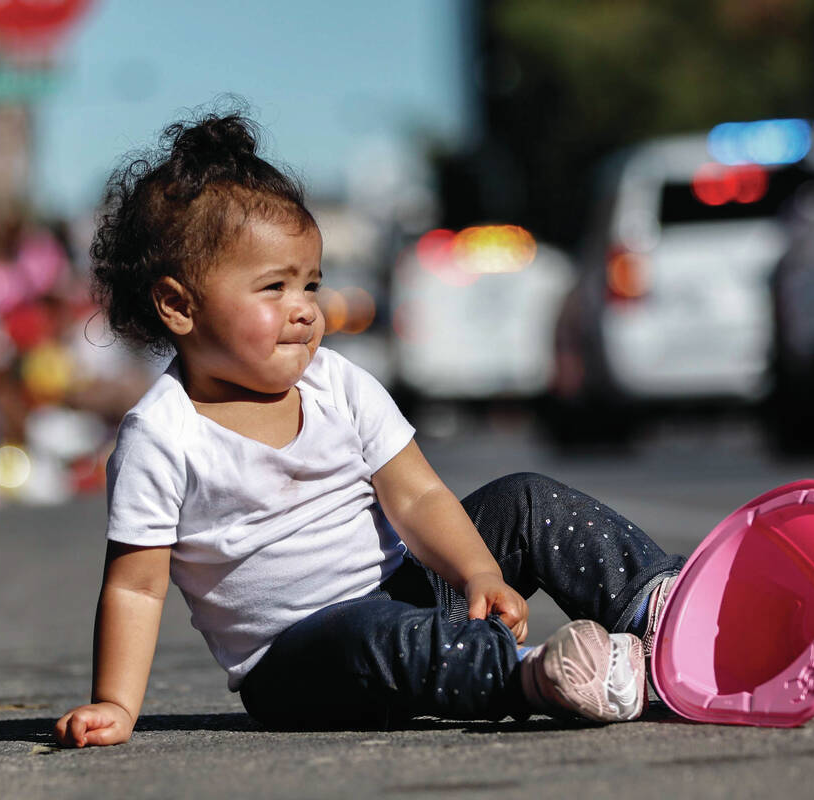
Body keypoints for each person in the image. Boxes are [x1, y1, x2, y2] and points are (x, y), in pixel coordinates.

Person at [54, 110, 684, 747]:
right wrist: (115, 703)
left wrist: (477, 572)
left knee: (526, 501)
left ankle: (664, 611)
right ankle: (539, 677)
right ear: (179, 306)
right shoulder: (161, 434)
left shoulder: (337, 383)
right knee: (384, 638)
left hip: (402, 590)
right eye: (273, 287)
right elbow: (136, 586)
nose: (305, 309)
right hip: (301, 657)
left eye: (312, 284)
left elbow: (418, 496)